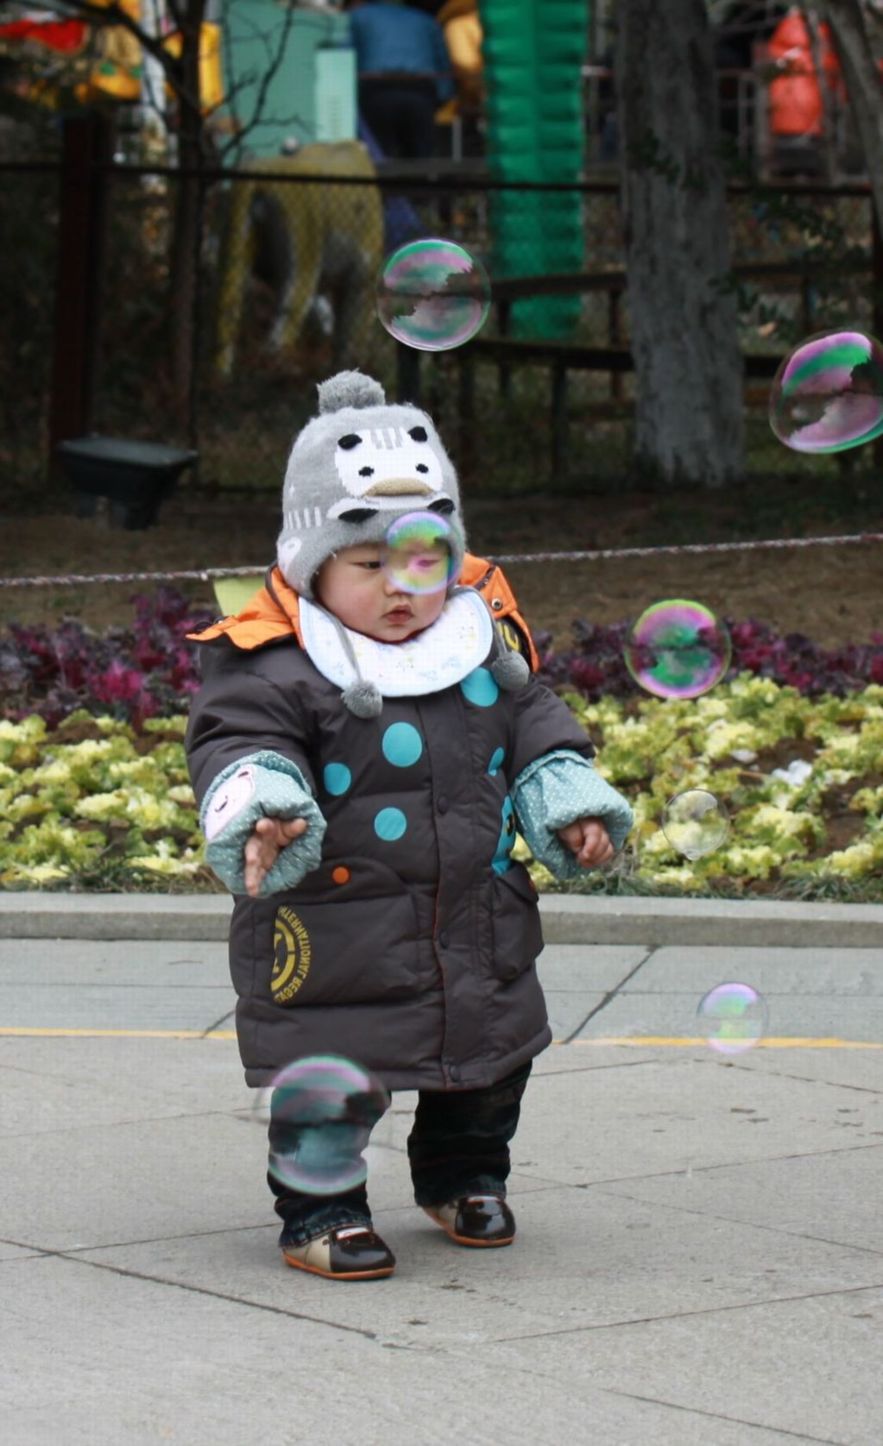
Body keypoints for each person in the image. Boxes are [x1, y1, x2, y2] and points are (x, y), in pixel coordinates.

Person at [185, 370, 634, 1282]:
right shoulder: (276, 663)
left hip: (474, 917)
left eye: (425, 561)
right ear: (313, 566)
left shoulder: (478, 648)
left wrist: (568, 798)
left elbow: (537, 726)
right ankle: (322, 1208)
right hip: (335, 927)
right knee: (333, 1078)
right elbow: (238, 739)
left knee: (490, 1063)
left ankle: (462, 1175)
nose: (401, 586)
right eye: (369, 565)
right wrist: (261, 805)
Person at [343, 0, 454, 160]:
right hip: (420, 91)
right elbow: (442, 62)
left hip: (376, 90)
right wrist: (443, 97)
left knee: (379, 155)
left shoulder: (358, 17)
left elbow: (344, 54)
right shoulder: (425, 20)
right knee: (422, 157)